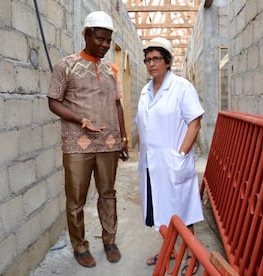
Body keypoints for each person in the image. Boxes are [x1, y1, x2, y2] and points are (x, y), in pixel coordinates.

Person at [47, 11, 129, 268]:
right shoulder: (66, 65)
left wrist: (123, 137)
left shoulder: (110, 68)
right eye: (101, 39)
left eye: (108, 40)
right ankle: (80, 247)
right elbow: (53, 101)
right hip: (77, 144)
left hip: (108, 144)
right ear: (87, 35)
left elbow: (117, 105)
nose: (105, 45)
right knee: (76, 200)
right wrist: (80, 119)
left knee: (108, 194)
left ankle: (110, 241)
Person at [135, 37, 204, 275]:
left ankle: (192, 257)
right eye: (147, 59)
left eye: (156, 59)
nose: (151, 64)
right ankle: (170, 250)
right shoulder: (146, 91)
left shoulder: (182, 87)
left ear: (167, 61)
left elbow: (195, 123)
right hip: (150, 163)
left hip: (173, 160)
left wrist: (181, 154)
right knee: (160, 212)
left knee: (183, 212)